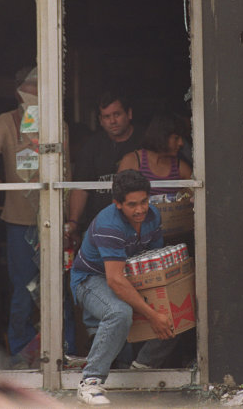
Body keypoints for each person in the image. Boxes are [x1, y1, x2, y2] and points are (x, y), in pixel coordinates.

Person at [70, 170, 176, 406]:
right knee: (119, 312)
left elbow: (154, 258)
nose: (140, 210)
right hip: (90, 280)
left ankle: (142, 367)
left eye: (144, 202)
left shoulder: (153, 216)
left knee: (176, 305)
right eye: (132, 205)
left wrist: (160, 304)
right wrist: (152, 314)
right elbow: (115, 280)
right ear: (117, 204)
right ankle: (90, 382)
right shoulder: (109, 225)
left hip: (130, 275)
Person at [0, 67, 42, 367]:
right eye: (31, 87)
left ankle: (64, 351)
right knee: (24, 290)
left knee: (62, 290)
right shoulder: (4, 122)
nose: (36, 93)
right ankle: (21, 353)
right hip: (19, 222)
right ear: (19, 91)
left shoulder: (58, 124)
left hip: (58, 222)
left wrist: (73, 220)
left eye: (41, 87)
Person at [64, 93, 143, 240]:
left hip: (137, 227)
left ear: (129, 114)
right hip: (98, 227)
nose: (112, 121)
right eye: (106, 117)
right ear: (100, 120)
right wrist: (73, 222)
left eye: (117, 114)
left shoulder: (145, 141)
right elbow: (81, 187)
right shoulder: (92, 146)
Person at [118, 113, 192, 195]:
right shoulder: (132, 161)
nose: (181, 143)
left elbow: (196, 200)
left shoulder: (181, 168)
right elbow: (118, 200)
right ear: (162, 136)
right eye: (176, 138)